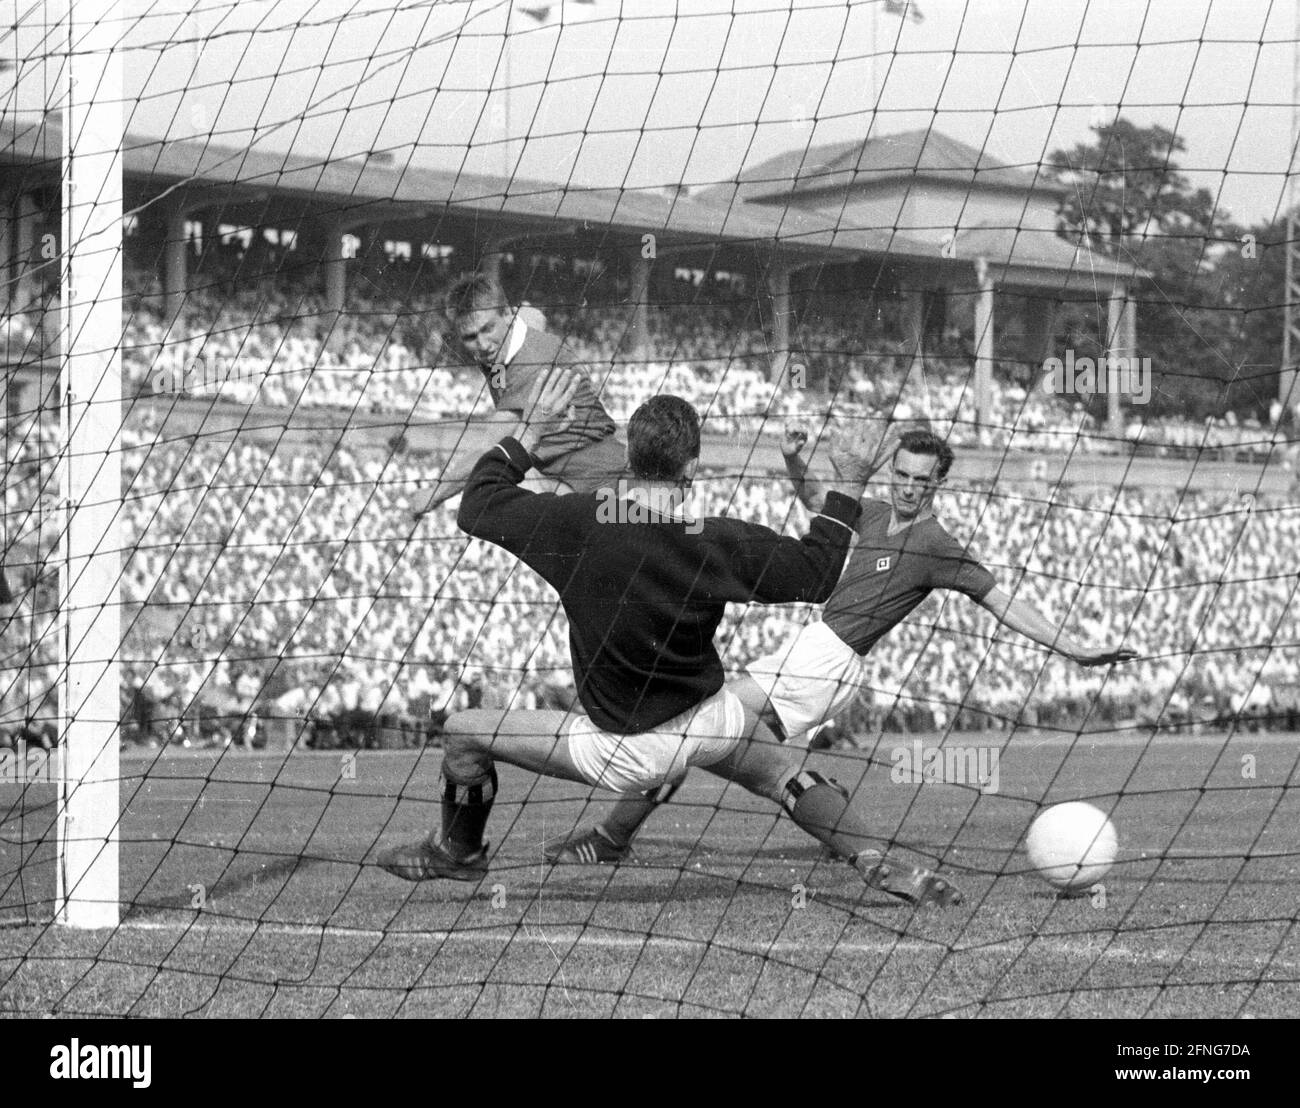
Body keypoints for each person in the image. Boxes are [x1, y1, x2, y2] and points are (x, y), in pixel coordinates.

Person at [378, 375, 964, 907]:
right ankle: (871, 857)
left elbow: (477, 504)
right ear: (691, 470)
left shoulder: (574, 523)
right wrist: (849, 486)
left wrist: (529, 434)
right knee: (786, 771)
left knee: (463, 734)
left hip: (626, 748)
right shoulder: (713, 541)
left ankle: (460, 853)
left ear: (630, 458)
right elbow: (815, 573)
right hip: (708, 718)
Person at [546, 421, 1137, 865]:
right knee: (704, 736)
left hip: (829, 662)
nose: (907, 487)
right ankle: (826, 803)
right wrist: (794, 459)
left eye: (919, 480)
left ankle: (611, 837)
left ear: (938, 484)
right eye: (900, 475)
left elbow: (1001, 602)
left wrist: (1074, 650)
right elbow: (815, 503)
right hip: (806, 648)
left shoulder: (937, 545)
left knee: (691, 728)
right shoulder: (875, 514)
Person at [413, 272, 626, 512]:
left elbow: (489, 451)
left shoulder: (529, 367)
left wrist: (433, 495)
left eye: (488, 329)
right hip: (567, 476)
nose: (483, 345)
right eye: (471, 337)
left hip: (602, 486)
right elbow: (534, 316)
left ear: (506, 314)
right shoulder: (515, 328)